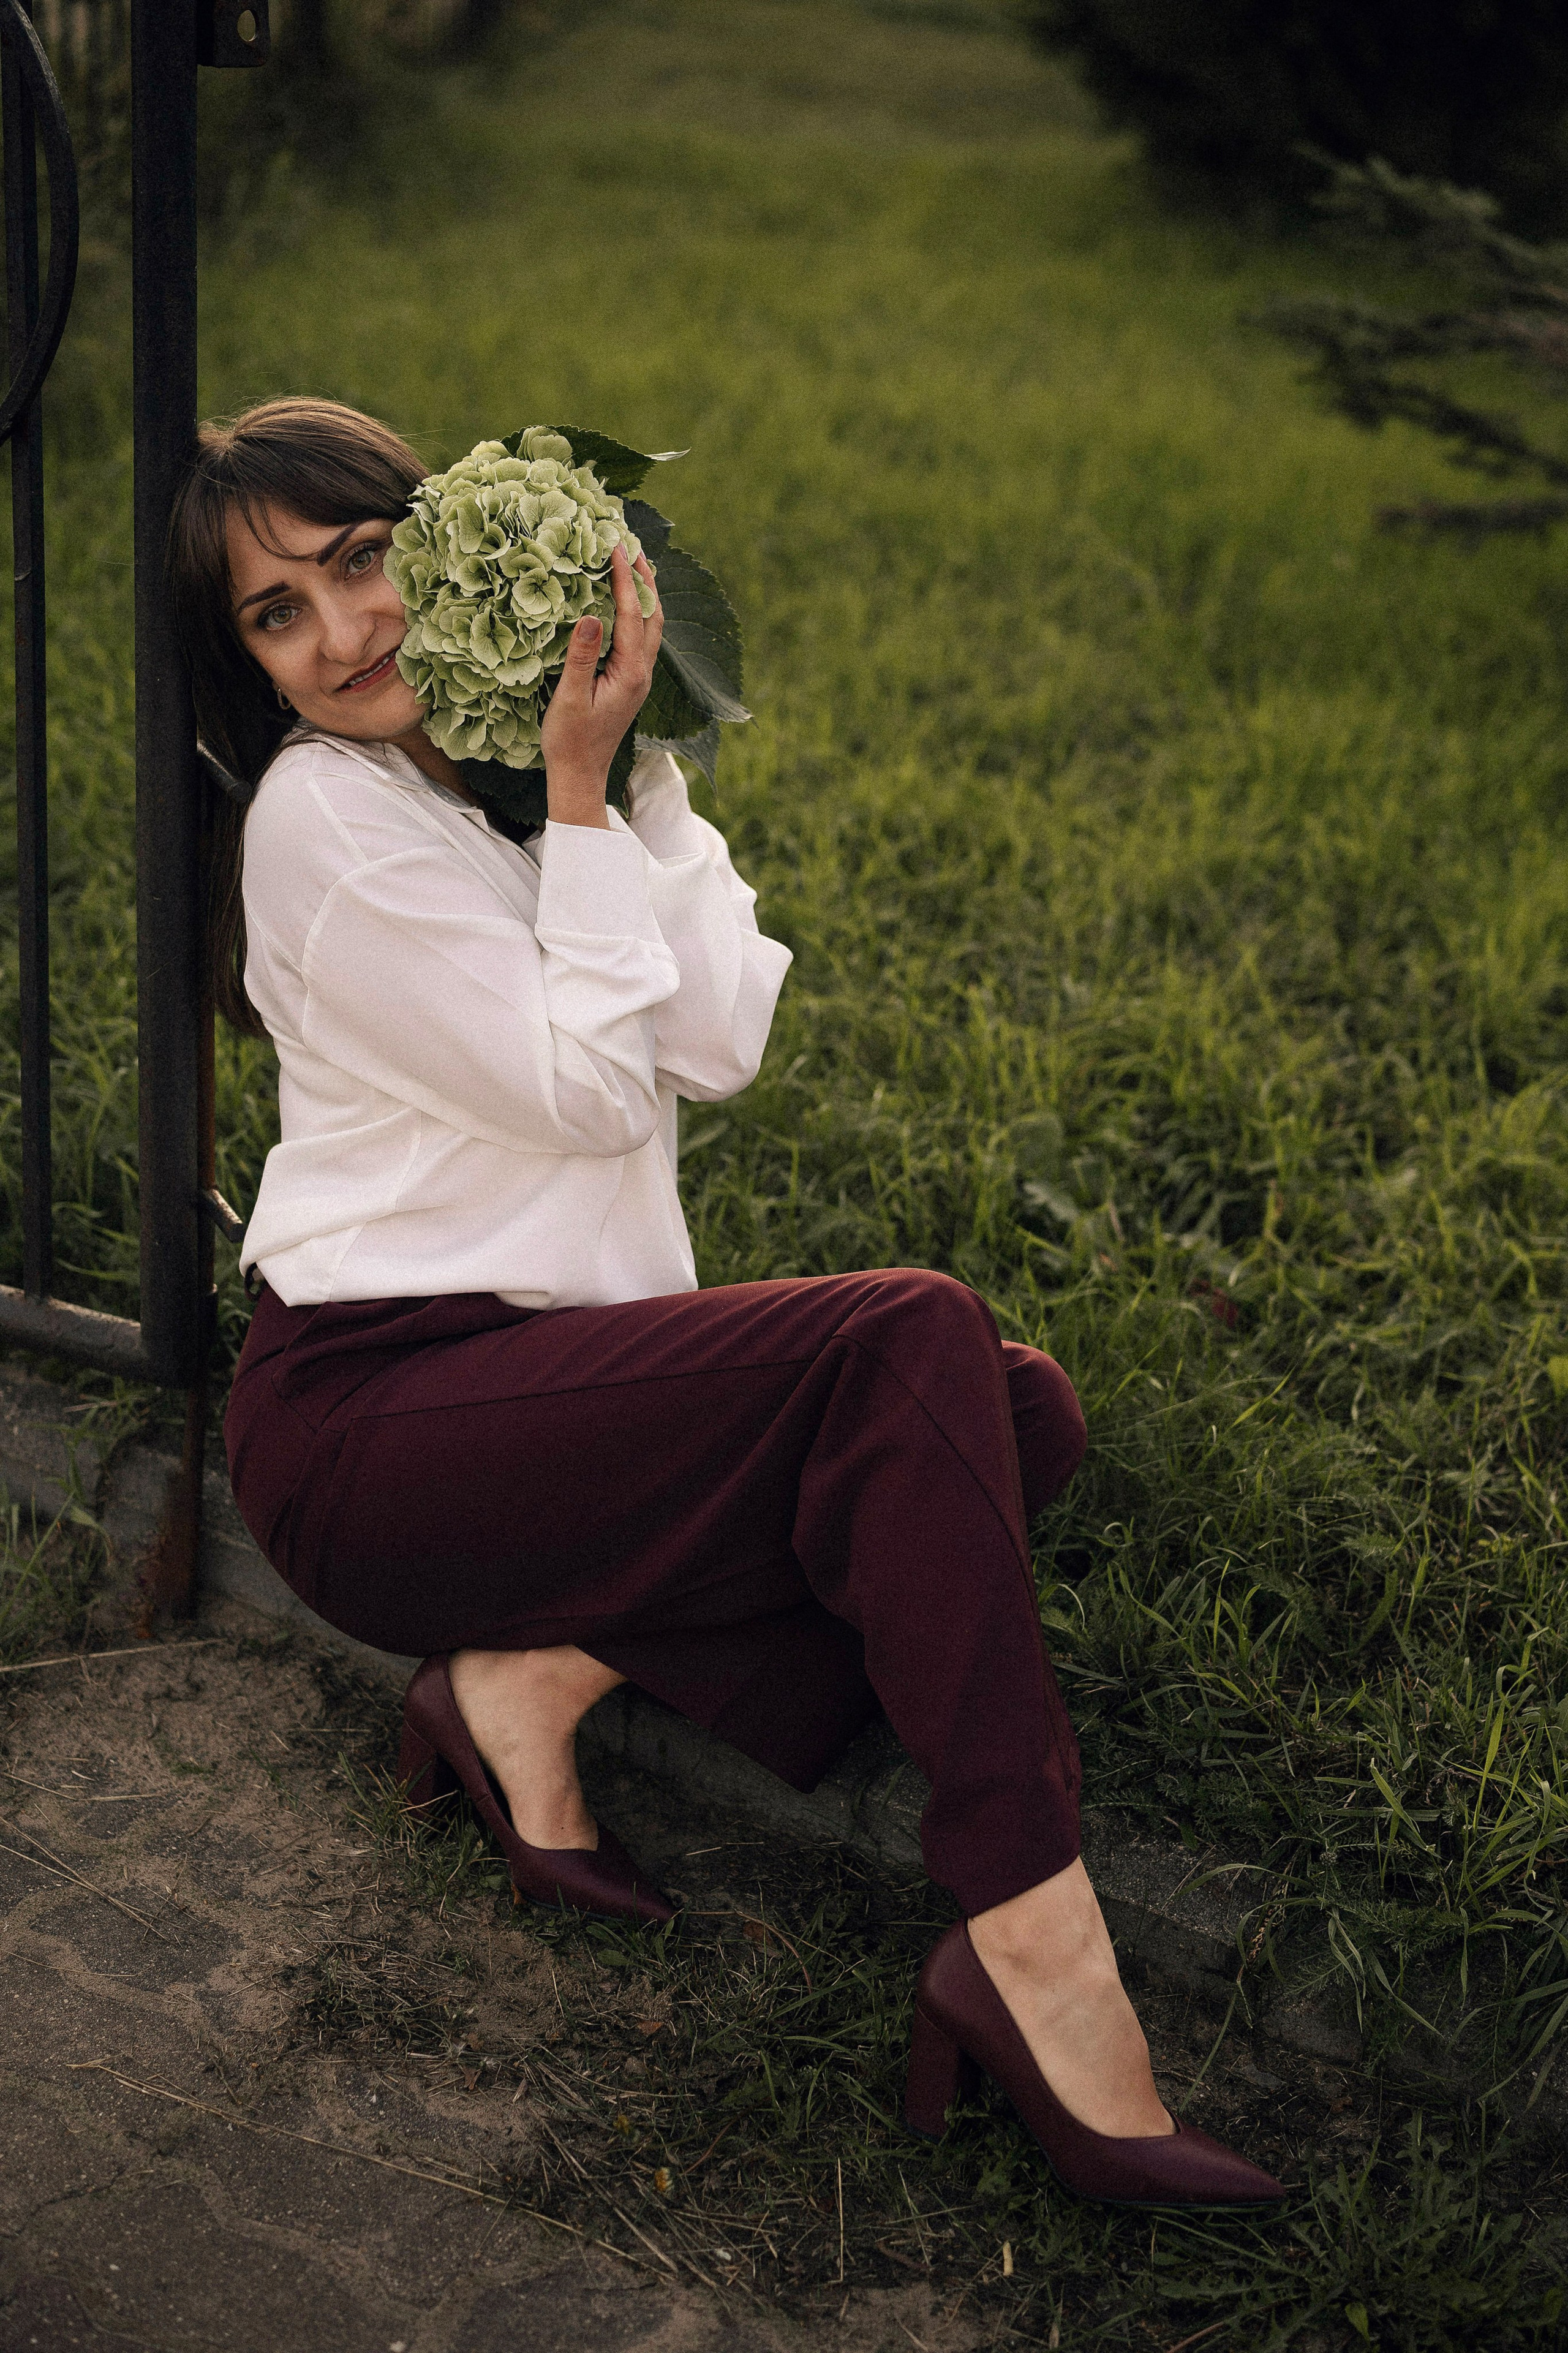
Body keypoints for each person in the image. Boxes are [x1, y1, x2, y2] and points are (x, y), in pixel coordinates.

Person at [172, 396, 1283, 2210]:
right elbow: (603, 1097)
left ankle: (525, 1683)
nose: (347, 633)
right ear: (254, 669)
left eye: (362, 562)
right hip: (373, 1420)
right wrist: (594, 800)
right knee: (904, 1339)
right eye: (277, 615)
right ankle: (1039, 1956)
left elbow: (717, 1043)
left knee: (1016, 1416)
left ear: (442, 548)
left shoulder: (524, 761)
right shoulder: (325, 825)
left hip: (548, 1384)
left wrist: (624, 771)